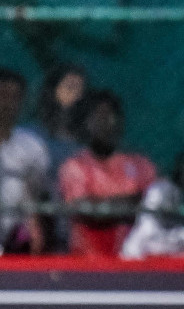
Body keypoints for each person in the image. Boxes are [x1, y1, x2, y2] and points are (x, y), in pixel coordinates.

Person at [56, 89, 159, 256]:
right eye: (98, 117)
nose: (105, 124)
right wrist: (134, 201)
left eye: (111, 117)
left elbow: (157, 205)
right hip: (86, 259)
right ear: (85, 123)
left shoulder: (140, 165)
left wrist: (113, 204)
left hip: (135, 259)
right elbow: (87, 211)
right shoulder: (75, 166)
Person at [0, 68, 50, 255]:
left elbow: (37, 194)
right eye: (2, 95)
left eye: (15, 97)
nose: (7, 103)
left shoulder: (32, 147)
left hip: (14, 244)